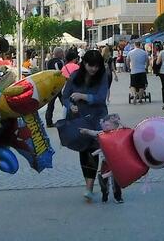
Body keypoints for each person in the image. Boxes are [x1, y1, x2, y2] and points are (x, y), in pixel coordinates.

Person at [47, 50, 123, 204]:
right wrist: (70, 105)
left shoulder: (103, 75)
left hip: (98, 118)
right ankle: (89, 187)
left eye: (96, 66)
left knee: (96, 149)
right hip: (80, 118)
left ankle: (100, 183)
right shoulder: (75, 76)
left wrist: (83, 96)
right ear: (84, 64)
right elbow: (66, 95)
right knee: (84, 150)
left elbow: (101, 98)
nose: (93, 69)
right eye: (90, 65)